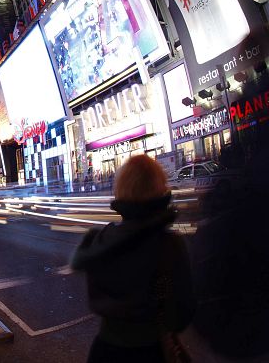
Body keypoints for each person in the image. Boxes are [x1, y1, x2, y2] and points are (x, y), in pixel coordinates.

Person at [71, 155, 195, 363]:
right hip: (152, 351)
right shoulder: (170, 244)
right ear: (159, 188)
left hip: (105, 351)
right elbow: (180, 314)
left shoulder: (101, 240)